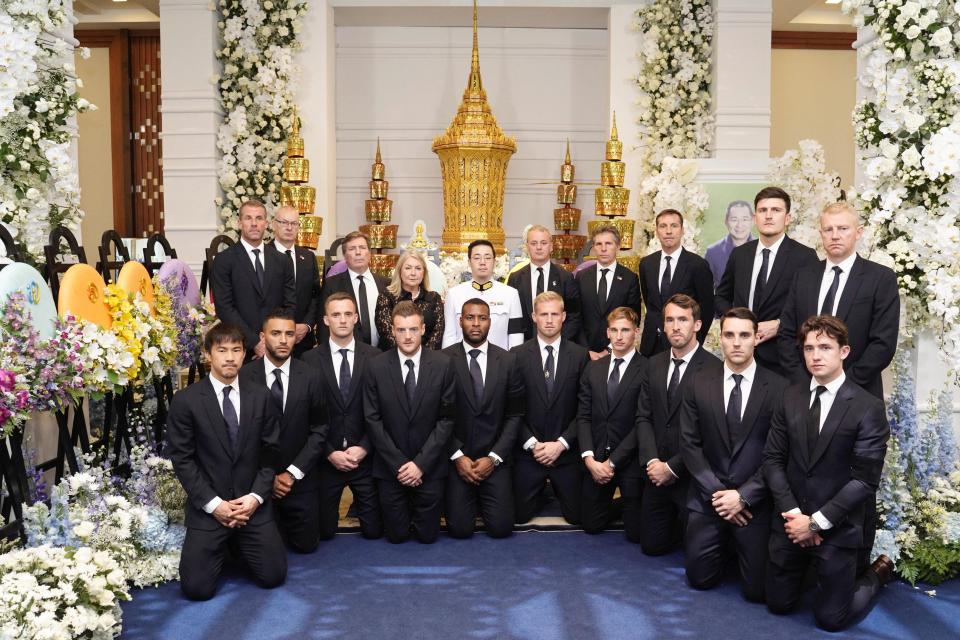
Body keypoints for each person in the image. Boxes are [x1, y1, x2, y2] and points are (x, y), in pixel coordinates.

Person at [764, 315, 893, 631]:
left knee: (831, 620)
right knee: (777, 605)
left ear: (844, 351)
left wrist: (816, 522)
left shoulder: (867, 406)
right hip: (792, 520)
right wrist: (796, 517)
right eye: (809, 348)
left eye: (825, 347)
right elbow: (772, 460)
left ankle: (879, 571)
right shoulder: (789, 396)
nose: (815, 356)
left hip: (838, 524)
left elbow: (864, 480)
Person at [166, 323, 286, 600]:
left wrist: (255, 497)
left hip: (250, 505)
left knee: (273, 576)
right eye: (222, 350)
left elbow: (271, 452)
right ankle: (228, 545)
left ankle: (238, 546)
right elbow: (182, 460)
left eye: (236, 350)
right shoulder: (186, 401)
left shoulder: (261, 396)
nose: (230, 357)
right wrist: (214, 505)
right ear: (208, 354)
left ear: (245, 354)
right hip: (211, 506)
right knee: (196, 589)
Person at [680, 307, 788, 602]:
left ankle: (736, 547)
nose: (736, 342)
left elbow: (777, 453)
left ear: (756, 338)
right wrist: (719, 495)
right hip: (708, 498)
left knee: (756, 592)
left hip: (753, 502)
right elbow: (689, 445)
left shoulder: (778, 388)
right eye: (729, 335)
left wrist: (742, 497)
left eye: (744, 335)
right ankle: (725, 546)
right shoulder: (698, 381)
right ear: (720, 338)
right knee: (699, 580)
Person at [778, 201, 899, 400]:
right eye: (828, 229)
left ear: (858, 232)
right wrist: (803, 381)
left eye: (843, 228)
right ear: (821, 234)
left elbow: (883, 343)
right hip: (805, 392)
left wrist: (842, 385)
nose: (835, 235)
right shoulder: (803, 276)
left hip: (859, 394)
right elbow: (786, 333)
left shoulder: (880, 278)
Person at [635, 294, 722, 556]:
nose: (676, 326)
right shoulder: (653, 364)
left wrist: (672, 467)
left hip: (690, 474)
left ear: (697, 324)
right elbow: (643, 417)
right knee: (651, 546)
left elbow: (710, 434)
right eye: (670, 320)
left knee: (694, 549)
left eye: (683, 320)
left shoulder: (714, 369)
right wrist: (652, 461)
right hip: (656, 471)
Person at [364, 301, 456, 543]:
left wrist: (420, 464)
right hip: (390, 468)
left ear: (423, 329)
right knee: (396, 536)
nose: (407, 336)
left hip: (430, 468)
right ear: (392, 331)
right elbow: (372, 420)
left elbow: (446, 420)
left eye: (413, 329)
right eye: (401, 330)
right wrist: (399, 465)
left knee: (428, 537)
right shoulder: (376, 366)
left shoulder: (443, 365)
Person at [239, 311, 328, 553]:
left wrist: (290, 474)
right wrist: (269, 477)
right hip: (256, 482)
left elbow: (320, 430)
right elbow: (241, 436)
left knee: (306, 546)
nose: (283, 340)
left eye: (289, 334)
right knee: (262, 549)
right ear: (262, 336)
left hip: (298, 480)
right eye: (276, 333)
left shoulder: (311, 375)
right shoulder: (244, 376)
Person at [714, 187, 819, 376]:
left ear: (787, 218)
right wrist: (736, 322)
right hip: (741, 356)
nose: (768, 216)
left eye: (776, 210)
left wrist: (779, 325)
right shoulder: (740, 254)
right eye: (763, 210)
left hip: (783, 360)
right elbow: (722, 296)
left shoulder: (805, 257)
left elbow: (812, 310)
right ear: (755, 218)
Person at [303, 292, 382, 540]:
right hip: (328, 458)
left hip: (364, 457)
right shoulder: (309, 361)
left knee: (375, 531)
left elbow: (382, 411)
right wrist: (329, 452)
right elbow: (305, 416)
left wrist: (364, 448)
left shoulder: (375, 358)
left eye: (348, 314)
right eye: (336, 315)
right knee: (324, 532)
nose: (343, 320)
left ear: (356, 318)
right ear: (325, 320)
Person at [443, 299, 525, 538]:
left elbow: (515, 414)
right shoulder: (443, 361)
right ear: (460, 321)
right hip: (458, 459)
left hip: (495, 459)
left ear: (490, 321)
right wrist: (458, 457)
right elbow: (438, 416)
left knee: (501, 528)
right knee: (459, 530)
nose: (476, 324)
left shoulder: (509, 361)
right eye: (470, 318)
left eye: (482, 318)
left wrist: (495, 457)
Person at [511, 291, 589, 525]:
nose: (549, 320)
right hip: (529, 453)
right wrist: (533, 445)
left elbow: (585, 409)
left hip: (565, 452)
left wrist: (562, 444)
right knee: (518, 516)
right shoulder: (516, 356)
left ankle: (552, 490)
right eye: (543, 314)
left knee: (578, 518)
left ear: (563, 316)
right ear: (533, 316)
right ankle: (540, 493)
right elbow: (512, 410)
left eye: (554, 314)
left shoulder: (580, 356)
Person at [577, 307, 647, 540]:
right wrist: (589, 459)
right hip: (597, 457)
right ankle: (621, 505)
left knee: (635, 533)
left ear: (635, 332)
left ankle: (632, 506)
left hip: (630, 460)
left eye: (625, 330)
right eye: (614, 330)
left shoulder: (647, 369)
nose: (619, 336)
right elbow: (584, 416)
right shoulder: (593, 368)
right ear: (607, 332)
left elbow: (643, 423)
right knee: (590, 524)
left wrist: (613, 462)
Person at [211, 200, 295, 360]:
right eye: (248, 218)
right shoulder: (224, 260)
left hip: (278, 349)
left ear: (267, 223)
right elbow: (224, 307)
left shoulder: (282, 261)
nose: (254, 223)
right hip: (241, 349)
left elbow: (289, 303)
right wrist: (255, 342)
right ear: (239, 223)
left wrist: (274, 339)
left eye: (259, 218)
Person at [638, 209, 714, 357]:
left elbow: (707, 309)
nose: (668, 231)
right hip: (651, 344)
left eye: (674, 226)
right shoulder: (647, 264)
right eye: (663, 226)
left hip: (684, 344)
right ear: (657, 231)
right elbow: (650, 302)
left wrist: (695, 342)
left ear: (682, 230)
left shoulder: (697, 265)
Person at [442, 239, 524, 350]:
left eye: (487, 257)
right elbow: (449, 335)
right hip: (462, 363)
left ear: (494, 262)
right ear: (469, 262)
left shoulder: (510, 294)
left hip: (500, 363)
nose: (482, 262)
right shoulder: (454, 294)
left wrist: (512, 363)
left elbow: (516, 336)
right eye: (476, 258)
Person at [575, 224, 641, 360]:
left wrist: (608, 350)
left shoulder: (630, 279)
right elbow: (575, 316)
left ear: (618, 246)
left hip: (618, 352)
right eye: (599, 244)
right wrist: (585, 351)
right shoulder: (581, 277)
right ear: (593, 247)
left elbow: (633, 318)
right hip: (585, 354)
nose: (603, 249)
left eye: (608, 243)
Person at [506, 225, 581, 341]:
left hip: (558, 346)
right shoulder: (515, 278)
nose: (539, 247)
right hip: (524, 347)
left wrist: (557, 341)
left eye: (543, 243)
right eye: (534, 243)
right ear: (527, 247)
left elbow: (574, 315)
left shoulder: (565, 277)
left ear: (551, 246)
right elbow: (511, 318)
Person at [268, 205, 322, 357]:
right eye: (284, 222)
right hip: (271, 339)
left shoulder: (308, 257)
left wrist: (307, 325)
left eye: (294, 223)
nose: (289, 227)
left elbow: (315, 296)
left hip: (303, 340)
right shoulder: (263, 256)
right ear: (274, 224)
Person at [318, 230, 388, 347]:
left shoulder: (385, 283)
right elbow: (323, 326)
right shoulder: (332, 284)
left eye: (362, 247)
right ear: (345, 256)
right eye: (352, 249)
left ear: (370, 253)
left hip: (382, 354)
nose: (358, 252)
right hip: (347, 355)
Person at [374, 250, 444, 350]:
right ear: (400, 271)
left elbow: (438, 333)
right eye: (408, 268)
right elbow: (387, 334)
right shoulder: (386, 297)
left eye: (418, 268)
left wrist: (422, 358)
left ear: (423, 272)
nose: (413, 273)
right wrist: (407, 355)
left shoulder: (434, 298)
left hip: (428, 360)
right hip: (393, 359)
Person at [705, 200, 754, 287]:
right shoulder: (713, 252)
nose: (739, 225)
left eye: (745, 219)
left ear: (753, 221)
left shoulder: (764, 250)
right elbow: (706, 289)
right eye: (734, 219)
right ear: (726, 221)